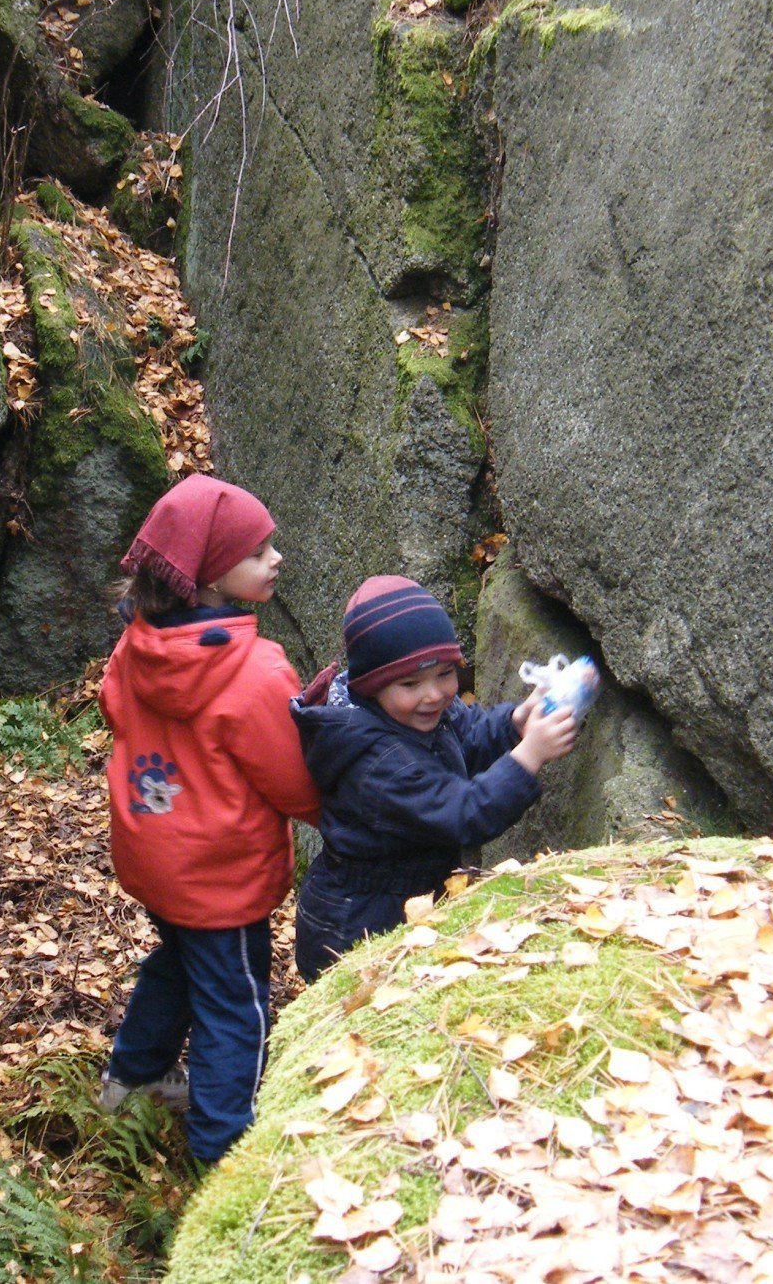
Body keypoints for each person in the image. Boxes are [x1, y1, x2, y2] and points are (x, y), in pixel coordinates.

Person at [96, 473, 320, 1164]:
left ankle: (131, 1081)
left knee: (178, 963)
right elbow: (290, 780)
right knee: (235, 1005)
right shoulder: (256, 671)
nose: (274, 559)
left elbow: (114, 706)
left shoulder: (137, 646)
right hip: (221, 878)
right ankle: (223, 1150)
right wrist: (329, 804)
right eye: (257, 553)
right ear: (211, 579)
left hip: (153, 854)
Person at [290, 576, 578, 980]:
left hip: (407, 899)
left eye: (445, 674)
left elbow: (470, 736)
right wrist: (528, 756)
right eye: (410, 683)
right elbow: (463, 814)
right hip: (354, 923)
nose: (434, 694)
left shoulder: (422, 713)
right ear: (372, 687)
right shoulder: (378, 762)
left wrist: (515, 723)